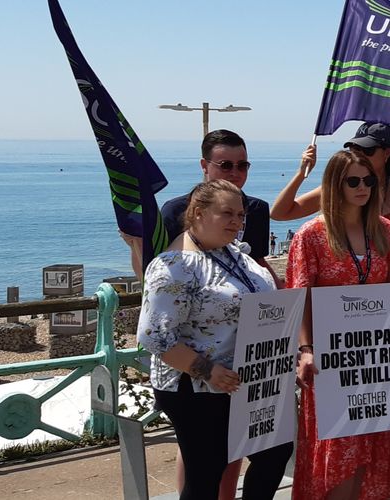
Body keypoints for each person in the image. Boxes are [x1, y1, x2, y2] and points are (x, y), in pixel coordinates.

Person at [137, 180, 293, 500]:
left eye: (240, 214)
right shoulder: (174, 266)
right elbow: (155, 335)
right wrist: (206, 369)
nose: (237, 222)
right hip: (196, 388)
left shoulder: (235, 254)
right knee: (206, 475)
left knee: (275, 451)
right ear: (197, 213)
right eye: (226, 213)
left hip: (250, 379)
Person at [287, 151, 390, 500]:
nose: (363, 187)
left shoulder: (385, 231)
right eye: (353, 181)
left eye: (369, 180)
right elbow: (300, 297)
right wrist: (305, 349)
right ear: (335, 185)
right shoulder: (310, 235)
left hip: (377, 357)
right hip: (332, 360)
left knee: (376, 440)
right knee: (339, 445)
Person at [126, 130, 275, 285]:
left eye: (242, 166)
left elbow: (257, 260)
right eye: (226, 165)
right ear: (205, 166)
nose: (235, 173)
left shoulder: (257, 209)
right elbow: (154, 269)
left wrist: (284, 297)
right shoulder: (175, 211)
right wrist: (135, 243)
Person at [273, 122, 390, 222]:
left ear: (387, 153)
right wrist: (301, 174)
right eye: (354, 149)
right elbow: (279, 213)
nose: (359, 155)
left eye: (367, 150)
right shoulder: (339, 187)